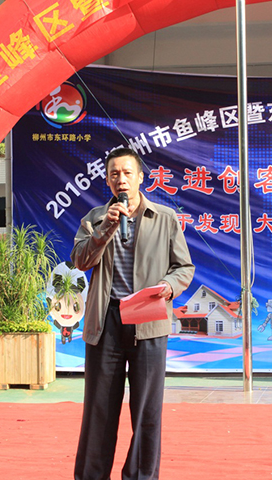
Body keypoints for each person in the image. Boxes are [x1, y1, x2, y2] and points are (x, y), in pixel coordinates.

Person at [71, 147, 194, 480]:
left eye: (127, 173)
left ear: (141, 177)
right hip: (106, 320)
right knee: (99, 408)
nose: (121, 179)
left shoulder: (164, 218)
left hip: (148, 317)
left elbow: (184, 267)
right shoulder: (95, 218)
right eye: (114, 174)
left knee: (146, 411)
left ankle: (141, 475)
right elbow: (81, 261)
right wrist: (105, 229)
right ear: (108, 180)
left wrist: (168, 286)